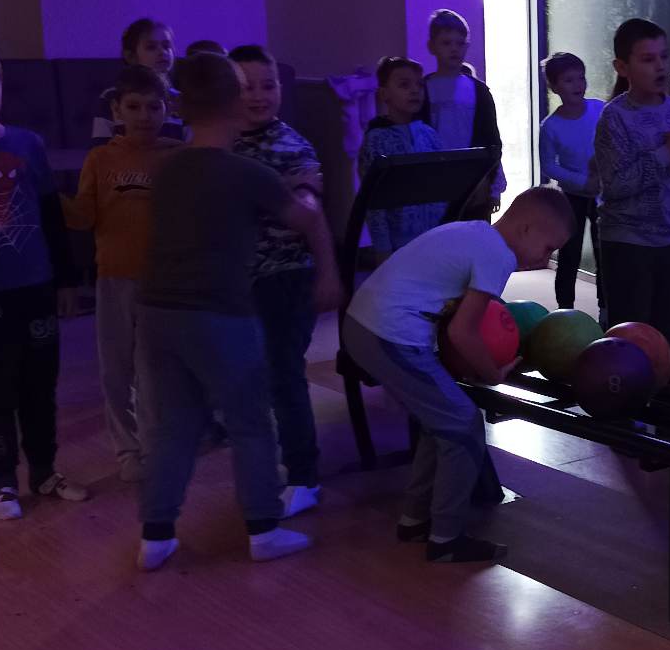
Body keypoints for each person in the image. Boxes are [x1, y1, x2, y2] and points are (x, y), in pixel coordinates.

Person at [134, 51, 338, 572]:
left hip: (157, 311)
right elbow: (303, 218)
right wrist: (308, 187)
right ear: (233, 102)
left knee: (175, 424)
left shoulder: (167, 168)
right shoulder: (248, 173)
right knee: (250, 421)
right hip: (220, 311)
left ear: (181, 106)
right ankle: (264, 529)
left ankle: (156, 536)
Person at [342, 188, 572, 565]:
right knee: (464, 426)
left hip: (365, 325)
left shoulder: (474, 232)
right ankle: (445, 539)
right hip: (389, 334)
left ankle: (415, 520)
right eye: (548, 248)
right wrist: (492, 374)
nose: (545, 259)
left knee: (442, 424)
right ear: (527, 228)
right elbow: (462, 331)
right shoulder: (497, 254)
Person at [0, 36, 90, 519]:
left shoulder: (28, 144)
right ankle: (2, 482)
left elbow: (51, 216)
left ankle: (45, 470)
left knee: (40, 384)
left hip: (35, 287)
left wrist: (66, 280)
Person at [62, 63, 175, 479]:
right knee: (114, 369)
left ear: (167, 109)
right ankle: (126, 451)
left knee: (151, 371)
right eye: (134, 106)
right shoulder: (101, 158)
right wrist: (48, 197)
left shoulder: (176, 156)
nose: (145, 115)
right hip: (112, 277)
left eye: (154, 106)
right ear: (116, 110)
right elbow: (83, 216)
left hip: (160, 283)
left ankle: (152, 446)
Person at [230, 45, 326, 517]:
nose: (258, 95)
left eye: (267, 85)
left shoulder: (292, 146)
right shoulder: (222, 144)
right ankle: (268, 464)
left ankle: (304, 475)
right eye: (246, 86)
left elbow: (308, 214)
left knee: (284, 374)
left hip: (287, 276)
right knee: (252, 377)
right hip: (237, 280)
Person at [593, 19, 670, 362]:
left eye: (664, 56)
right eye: (648, 59)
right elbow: (615, 185)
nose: (660, 66)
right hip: (627, 243)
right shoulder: (614, 117)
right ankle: (624, 398)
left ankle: (666, 393)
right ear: (622, 67)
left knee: (669, 337)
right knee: (630, 338)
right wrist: (667, 151)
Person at [357, 56, 447, 258]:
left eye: (419, 85)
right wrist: (382, 249)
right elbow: (374, 200)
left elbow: (442, 186)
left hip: (433, 237)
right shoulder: (376, 139)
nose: (415, 90)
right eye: (404, 85)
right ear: (384, 94)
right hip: (398, 243)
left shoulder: (429, 135)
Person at [539, 51, 603, 310]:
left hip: (604, 194)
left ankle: (606, 308)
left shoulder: (599, 109)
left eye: (581, 78)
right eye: (569, 80)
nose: (578, 85)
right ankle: (565, 308)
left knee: (604, 252)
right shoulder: (551, 126)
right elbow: (548, 165)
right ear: (554, 87)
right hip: (572, 197)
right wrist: (582, 181)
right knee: (569, 253)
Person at [423, 8, 503, 216]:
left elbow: (491, 139)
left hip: (474, 181)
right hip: (434, 181)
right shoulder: (422, 89)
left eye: (459, 43)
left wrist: (489, 182)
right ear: (432, 46)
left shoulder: (479, 91)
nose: (454, 49)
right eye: (446, 43)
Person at [91, 17, 183, 142]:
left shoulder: (179, 98)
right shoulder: (111, 96)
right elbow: (100, 145)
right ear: (131, 56)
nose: (162, 52)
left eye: (166, 46)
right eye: (151, 47)